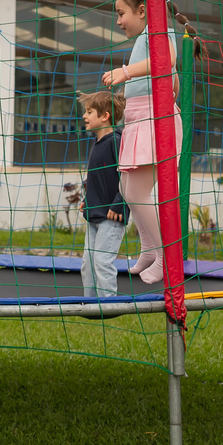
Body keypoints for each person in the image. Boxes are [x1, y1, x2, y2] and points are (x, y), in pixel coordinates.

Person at [100, 0, 181, 285]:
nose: (118, 21)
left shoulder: (158, 32)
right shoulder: (145, 38)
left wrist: (126, 72)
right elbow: (170, 78)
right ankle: (149, 249)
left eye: (121, 13)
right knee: (126, 186)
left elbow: (168, 60)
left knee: (137, 191)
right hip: (139, 119)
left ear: (143, 10)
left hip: (153, 121)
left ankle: (165, 256)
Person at [79, 91, 128, 298]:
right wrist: (87, 199)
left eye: (89, 112)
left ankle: (108, 304)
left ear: (105, 116)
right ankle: (90, 304)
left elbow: (127, 174)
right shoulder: (98, 143)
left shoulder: (115, 141)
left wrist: (120, 204)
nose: (84, 116)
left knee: (101, 261)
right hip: (95, 212)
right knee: (87, 264)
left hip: (111, 215)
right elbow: (98, 177)